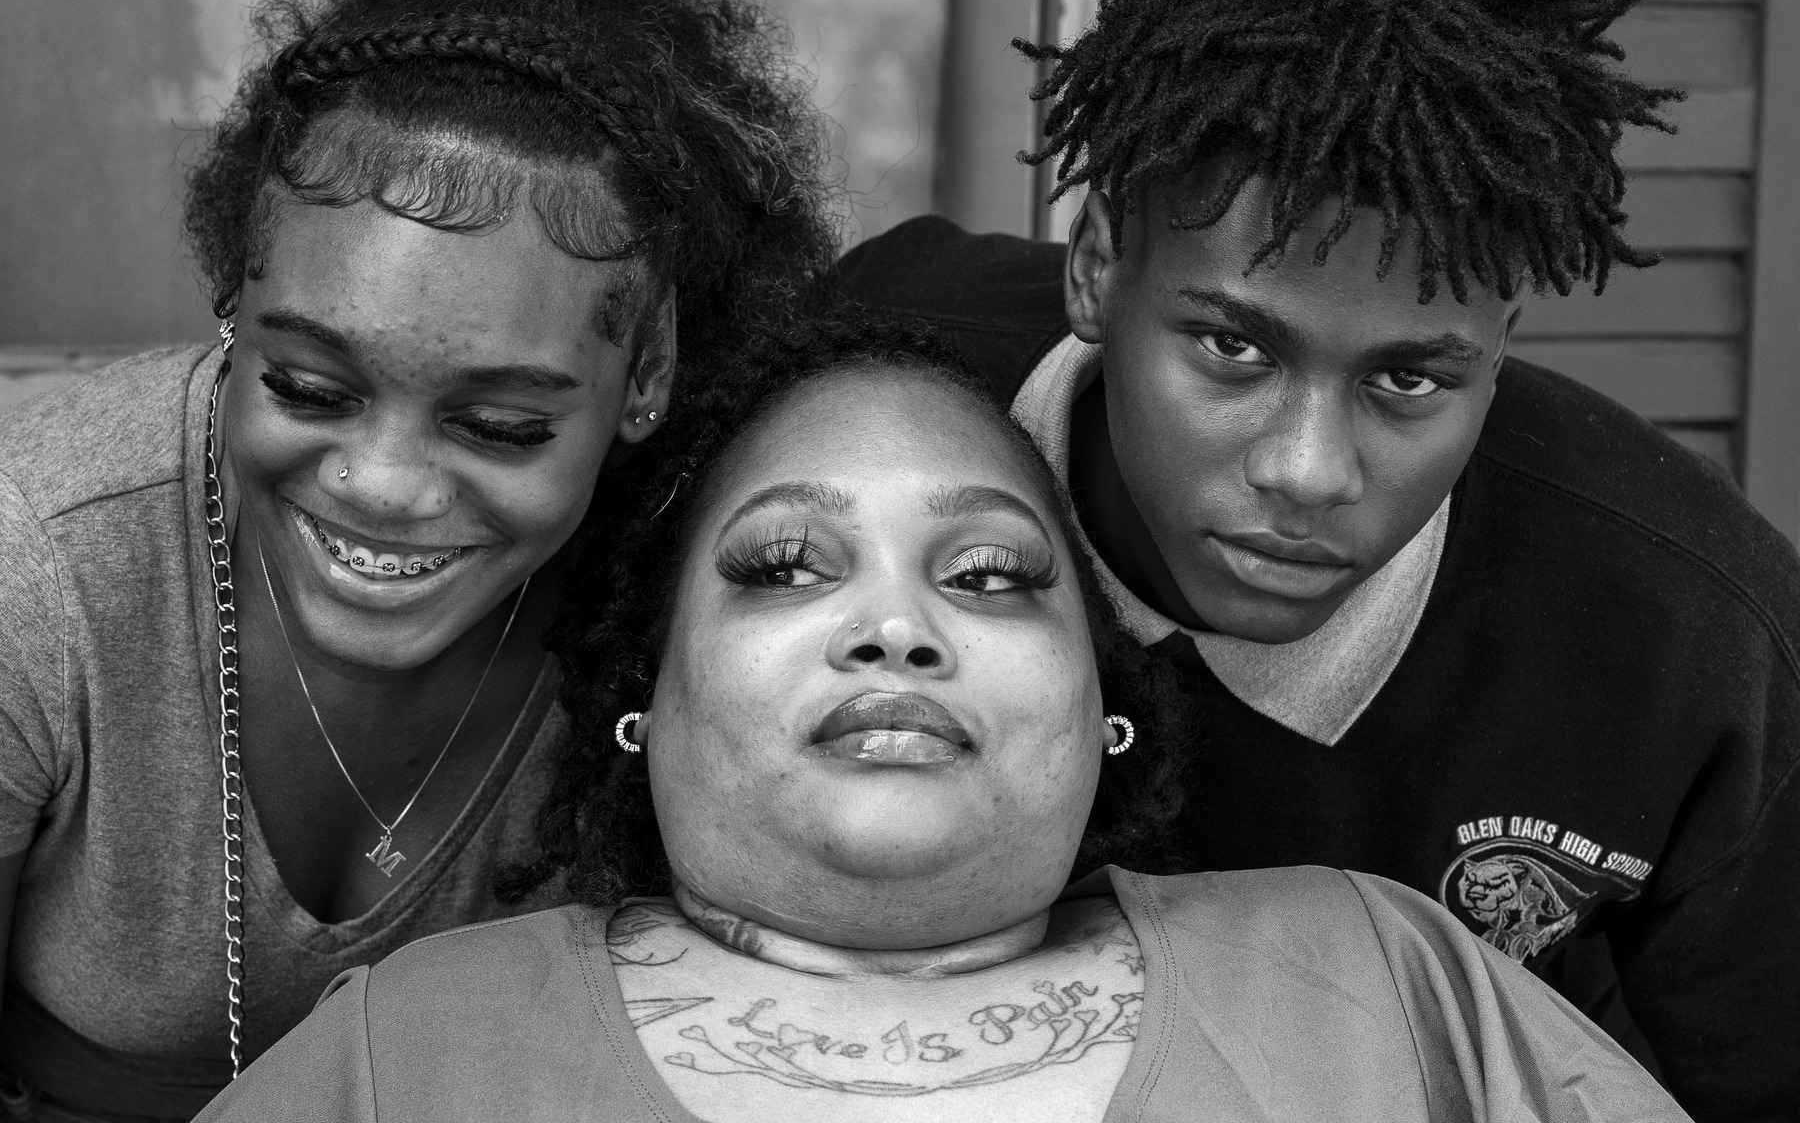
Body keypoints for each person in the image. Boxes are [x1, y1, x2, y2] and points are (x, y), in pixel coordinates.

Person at [191, 312, 1686, 1122]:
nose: (897, 627)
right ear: (643, 702)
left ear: (1109, 707)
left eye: (988, 574)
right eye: (785, 567)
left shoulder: (1383, 972)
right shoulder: (413, 1053)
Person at [830, 0, 1800, 1118]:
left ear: (1500, 355)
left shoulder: (1690, 636)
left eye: (1411, 382)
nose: (1307, 472)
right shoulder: (860, 370)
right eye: (1232, 348)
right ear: (1092, 265)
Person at [0, 0, 834, 1120]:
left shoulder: (702, 586)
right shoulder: (38, 562)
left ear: (646, 368)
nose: (384, 485)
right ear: (235, 301)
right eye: (310, 389)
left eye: (497, 424)